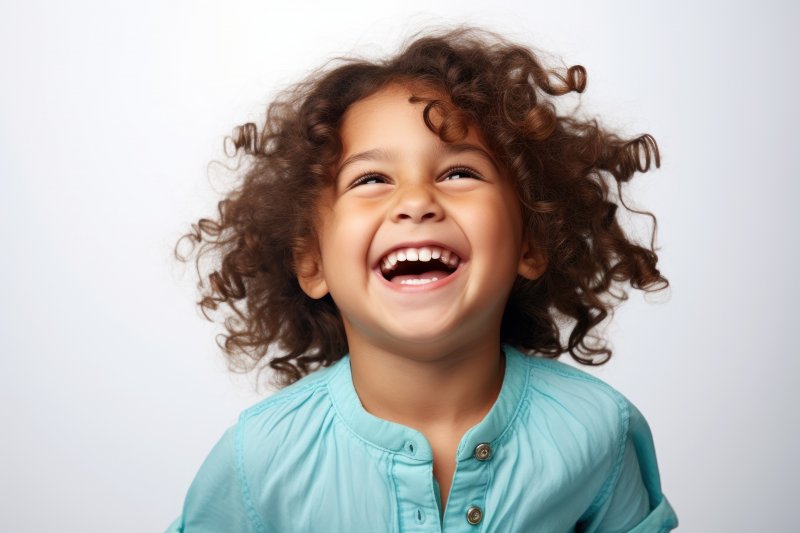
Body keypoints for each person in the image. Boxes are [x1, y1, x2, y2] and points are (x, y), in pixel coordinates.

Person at [168, 25, 679, 532]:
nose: (415, 201)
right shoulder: (260, 457)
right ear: (313, 262)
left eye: (459, 173)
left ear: (531, 242)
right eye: (370, 180)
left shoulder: (597, 431)